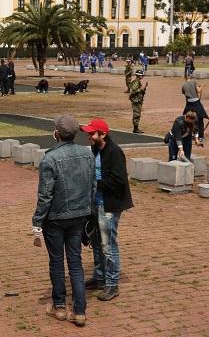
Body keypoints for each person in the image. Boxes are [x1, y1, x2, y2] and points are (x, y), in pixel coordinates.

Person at [32, 114, 95, 327]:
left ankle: (60, 306)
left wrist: (37, 220)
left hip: (56, 217)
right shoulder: (86, 154)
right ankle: (79, 311)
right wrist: (89, 211)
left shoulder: (50, 158)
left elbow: (45, 194)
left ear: (57, 133)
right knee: (75, 263)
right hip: (79, 215)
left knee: (57, 262)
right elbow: (92, 186)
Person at [81, 118, 134, 302]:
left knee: (108, 246)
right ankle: (99, 277)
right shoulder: (96, 149)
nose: (89, 135)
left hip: (109, 205)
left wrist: (95, 183)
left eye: (92, 133)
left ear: (102, 134)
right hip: (96, 203)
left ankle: (112, 284)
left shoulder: (114, 152)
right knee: (96, 243)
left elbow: (119, 181)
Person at [181, 74, 208, 143]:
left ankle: (190, 135)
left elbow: (184, 94)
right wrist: (202, 86)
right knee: (200, 121)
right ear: (191, 78)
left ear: (185, 78)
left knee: (189, 119)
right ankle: (201, 137)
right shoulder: (194, 82)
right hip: (196, 102)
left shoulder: (183, 85)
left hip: (189, 103)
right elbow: (198, 91)